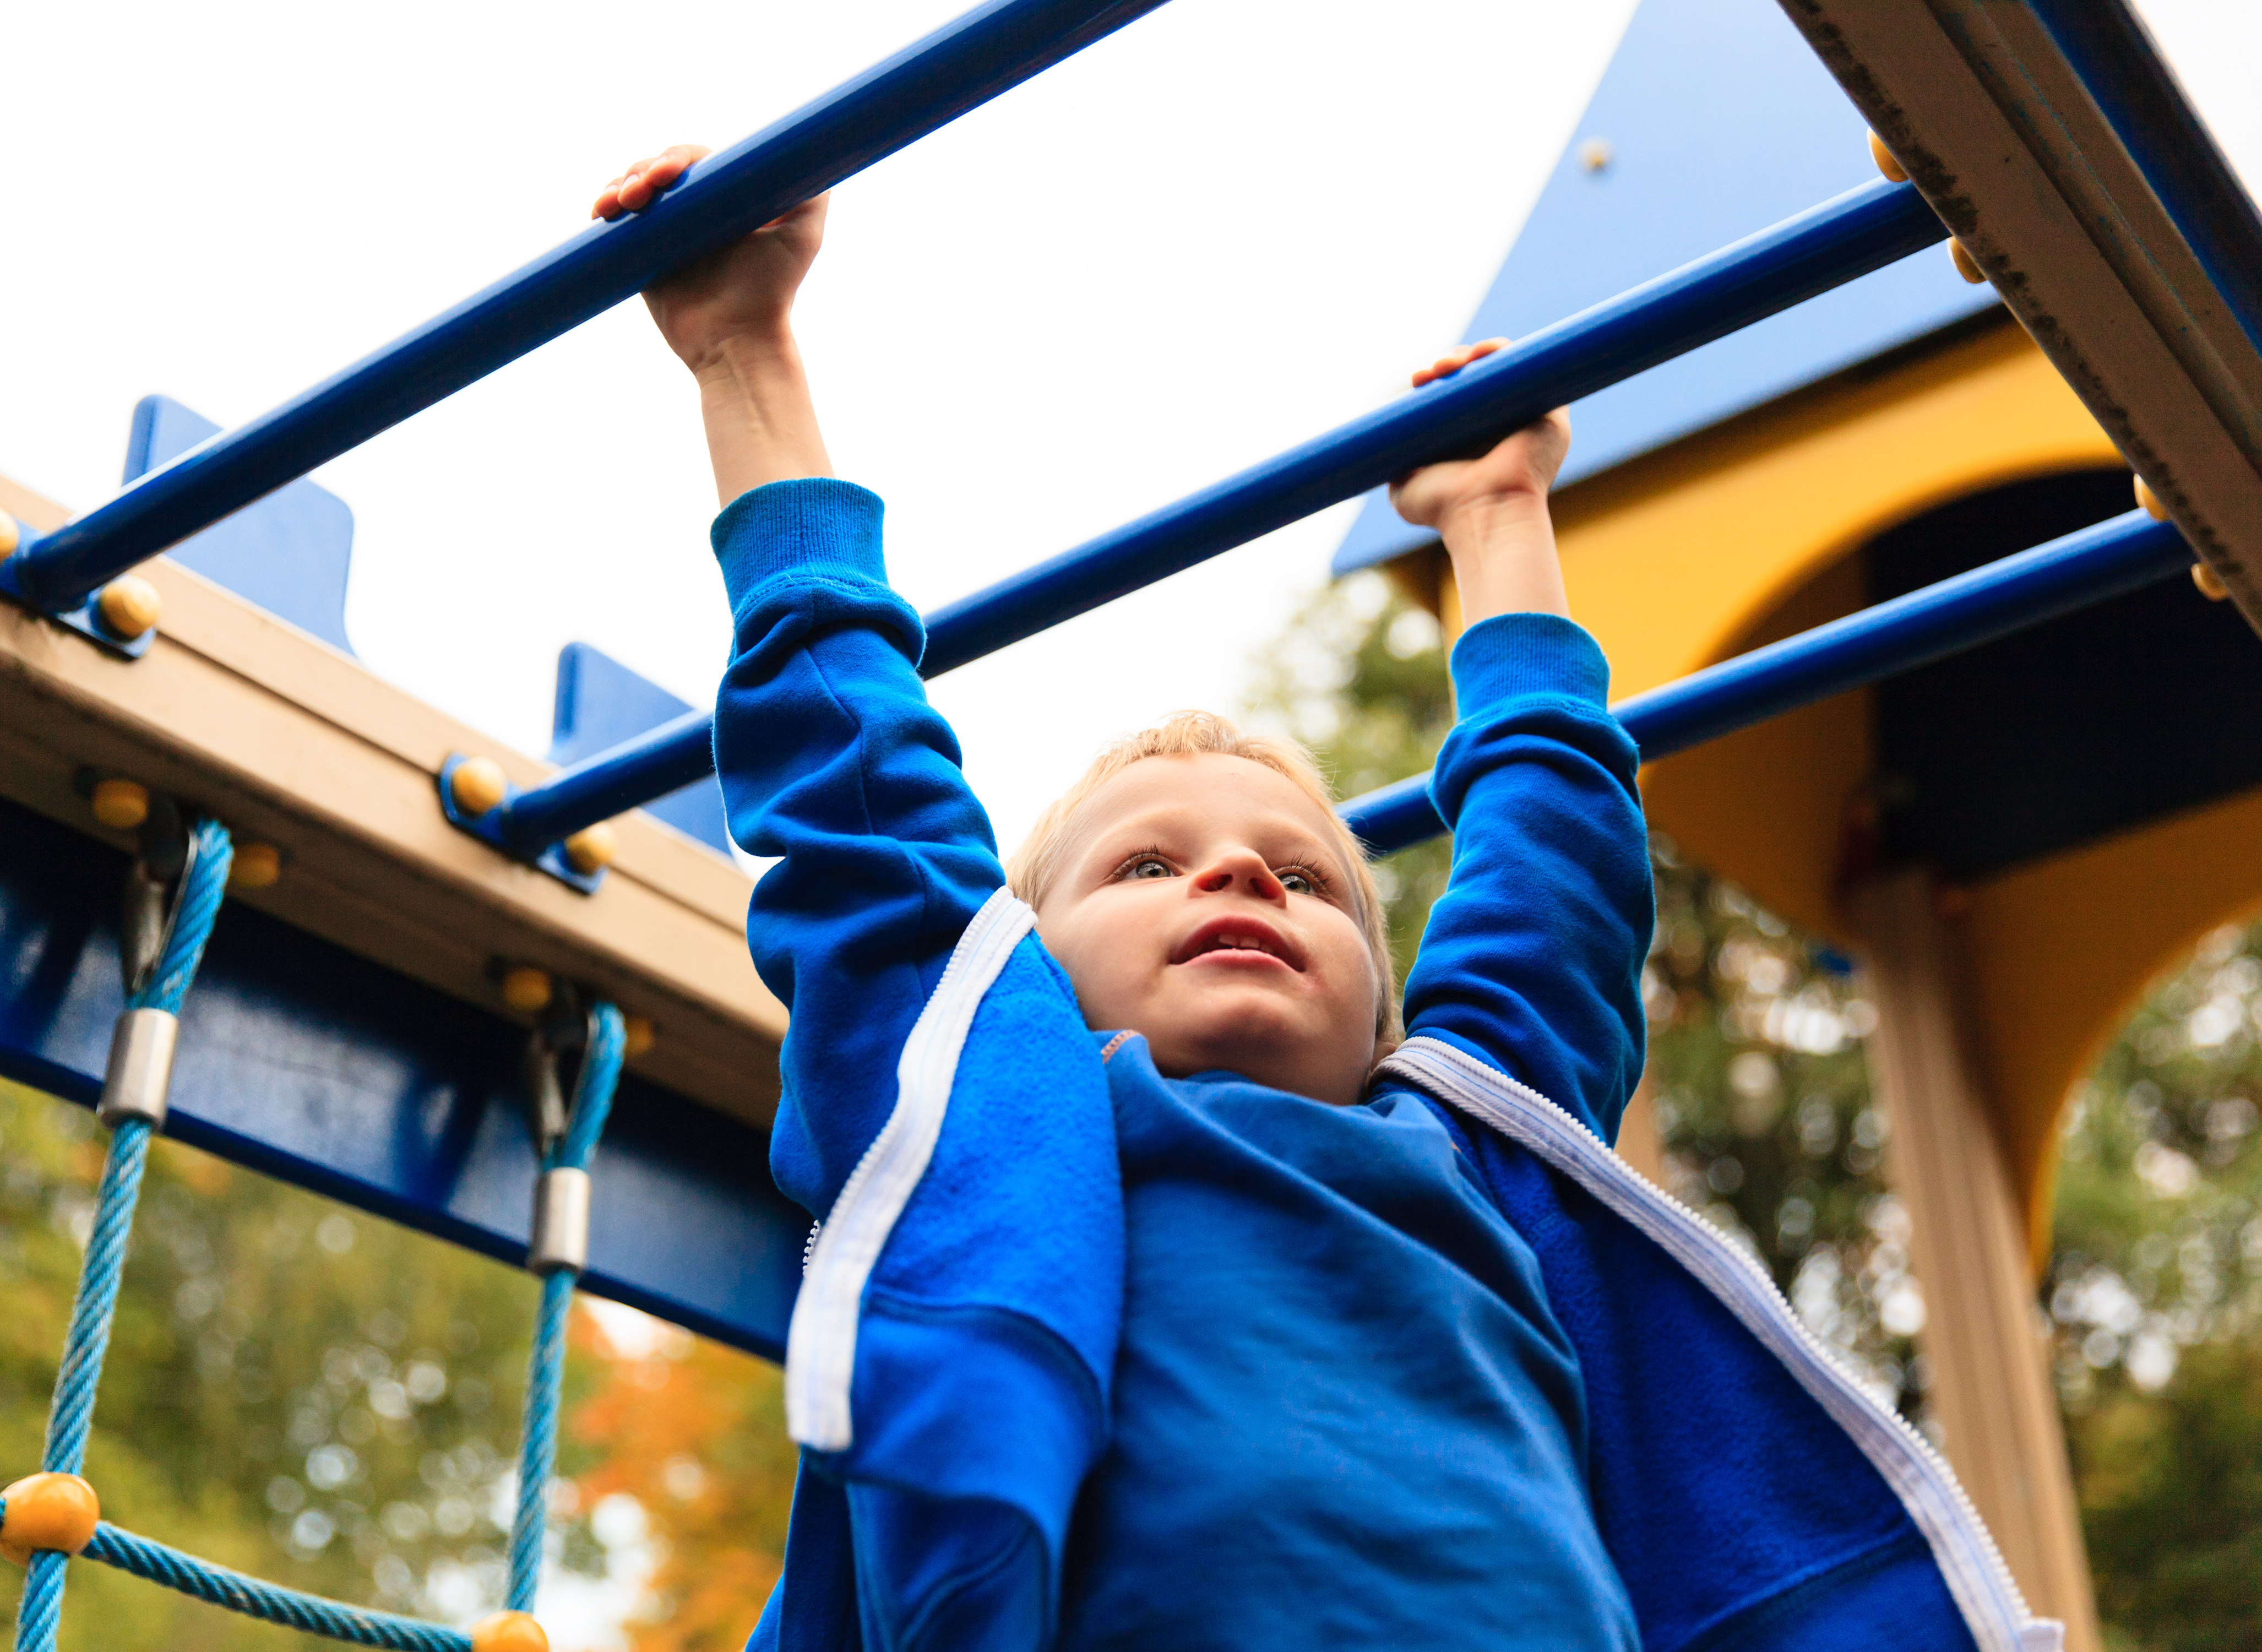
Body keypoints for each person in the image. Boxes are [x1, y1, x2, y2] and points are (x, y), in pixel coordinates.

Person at [592, 148, 2062, 1652]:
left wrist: (1496, 519)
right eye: (1145, 865)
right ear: (1021, 968)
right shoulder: (1003, 1101)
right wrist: (744, 353)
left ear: (1378, 1006)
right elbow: (862, 804)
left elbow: (1553, 881)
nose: (1237, 874)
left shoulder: (1462, 1146)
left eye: (1307, 881)